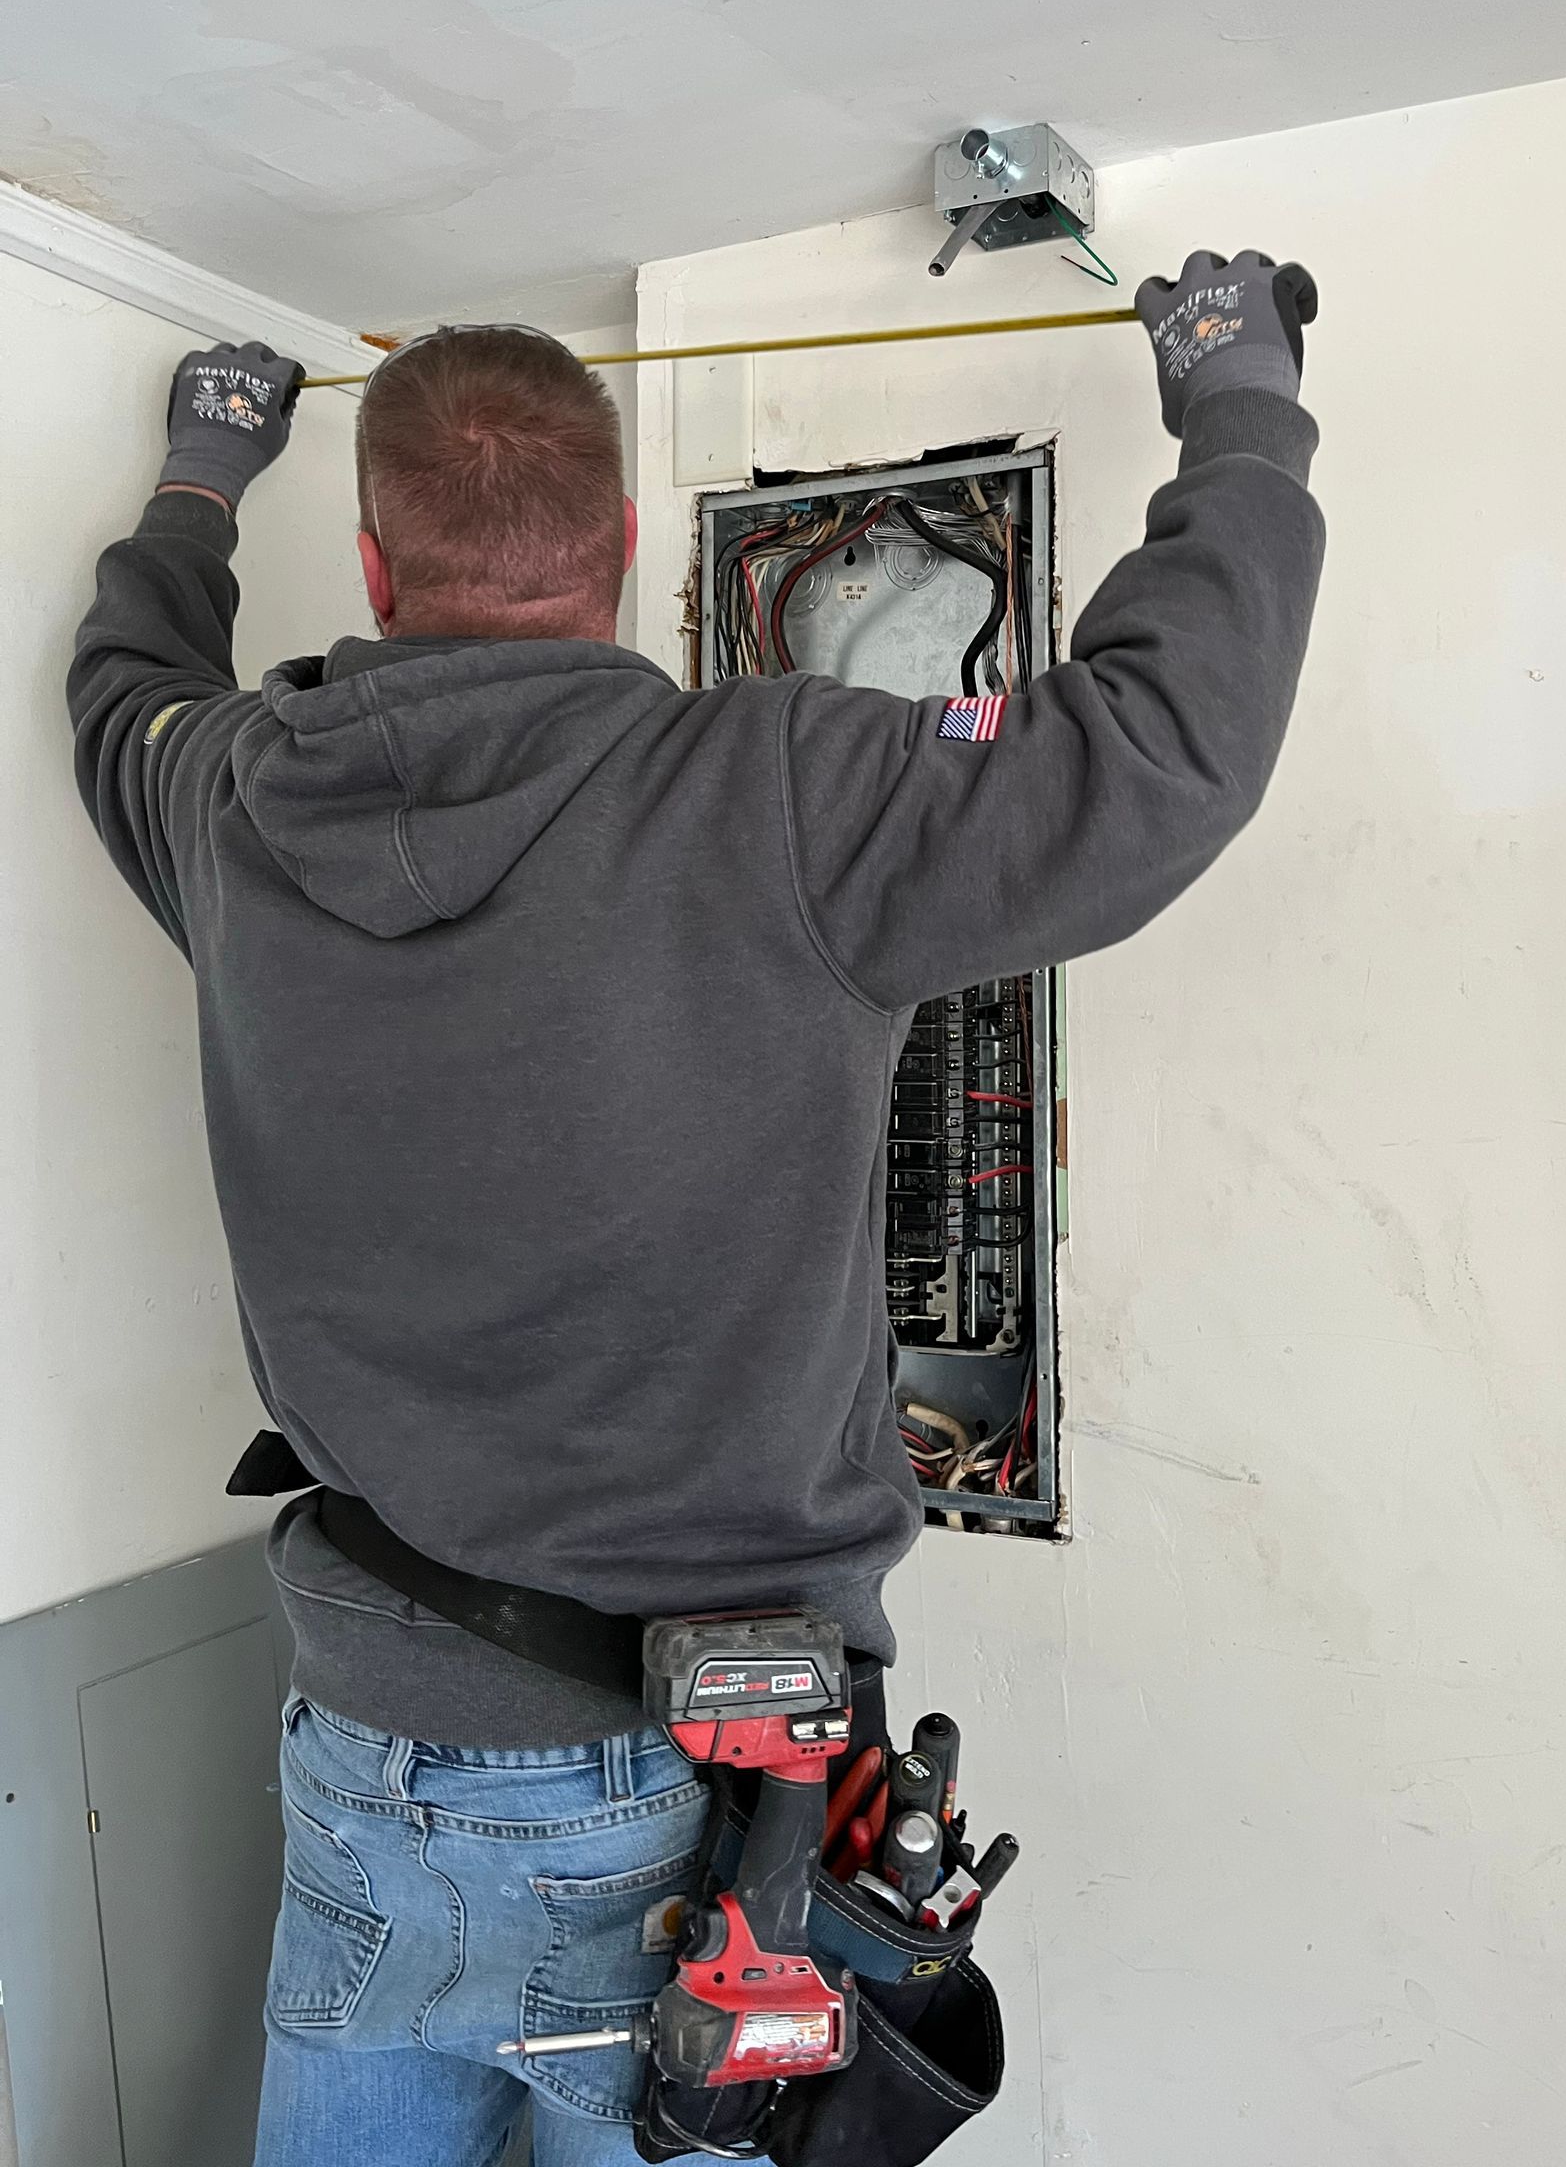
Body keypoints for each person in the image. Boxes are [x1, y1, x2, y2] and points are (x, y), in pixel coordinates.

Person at [67, 251, 1326, 2166]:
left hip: (359, 1756)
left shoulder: (239, 804)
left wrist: (196, 481)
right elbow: (1153, 751)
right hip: (674, 1800)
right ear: (628, 537)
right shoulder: (784, 790)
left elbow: (123, 700)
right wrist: (1240, 402)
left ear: (380, 566)